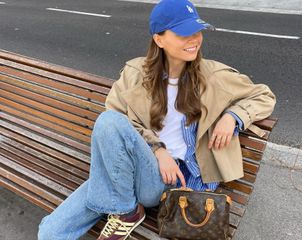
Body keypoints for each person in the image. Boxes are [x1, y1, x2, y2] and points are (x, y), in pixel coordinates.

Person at [38, 0, 276, 239]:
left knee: (108, 122)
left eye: (197, 31)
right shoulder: (135, 74)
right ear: (159, 39)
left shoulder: (213, 76)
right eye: (184, 33)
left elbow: (264, 95)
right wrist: (157, 150)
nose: (194, 39)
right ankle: (123, 208)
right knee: (49, 232)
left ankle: (125, 212)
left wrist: (233, 117)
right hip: (129, 169)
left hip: (165, 181)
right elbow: (117, 125)